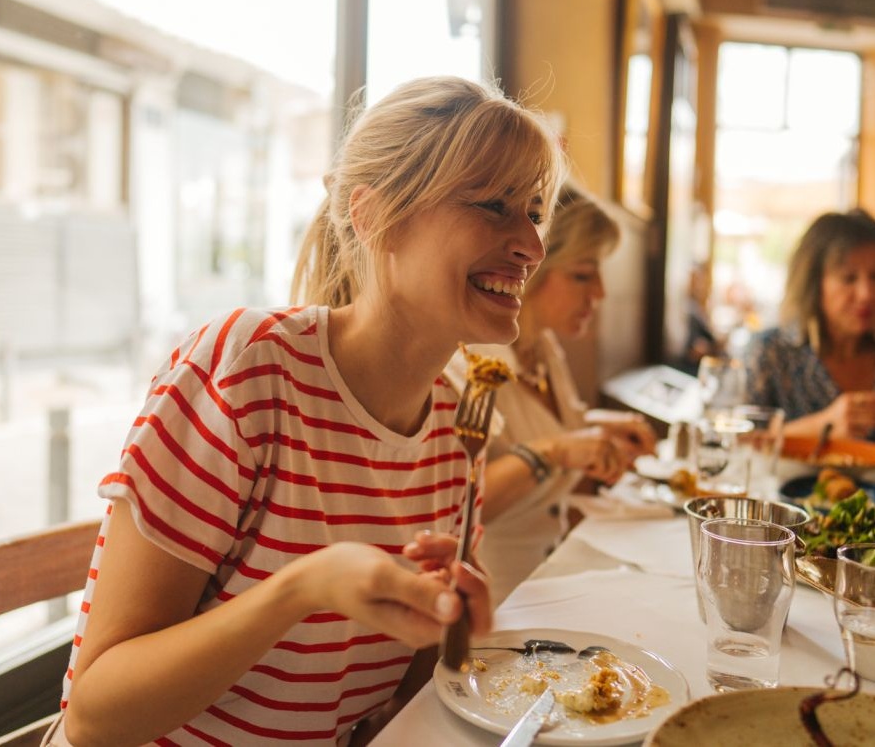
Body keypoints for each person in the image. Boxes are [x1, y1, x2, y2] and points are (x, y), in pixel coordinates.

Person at [50, 76, 567, 747]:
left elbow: (403, 695)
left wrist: (445, 621)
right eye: (496, 205)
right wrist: (306, 587)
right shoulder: (245, 368)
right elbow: (95, 715)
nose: (531, 243)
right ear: (375, 214)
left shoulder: (452, 428)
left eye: (533, 208)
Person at [446, 183, 655, 605]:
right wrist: (558, 450)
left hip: (555, 579)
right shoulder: (473, 363)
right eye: (582, 274)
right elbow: (459, 503)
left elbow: (548, 429)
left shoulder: (541, 348)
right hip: (499, 603)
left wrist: (601, 428)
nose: (599, 293)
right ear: (535, 268)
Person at [744, 208, 875, 440]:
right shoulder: (772, 353)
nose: (866, 294)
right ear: (814, 284)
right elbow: (736, 446)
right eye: (848, 278)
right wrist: (822, 426)